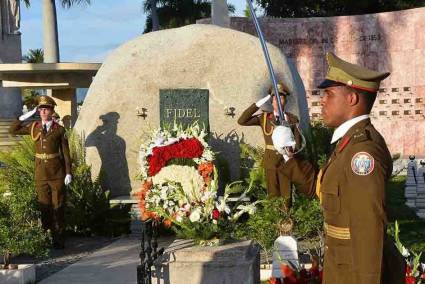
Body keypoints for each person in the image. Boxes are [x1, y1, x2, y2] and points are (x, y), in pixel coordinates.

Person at [272, 52, 405, 283]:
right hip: (341, 266)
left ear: (352, 99)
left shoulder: (361, 154)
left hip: (354, 272)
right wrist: (288, 156)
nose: (322, 100)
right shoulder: (348, 143)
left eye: (329, 94)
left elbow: (368, 230)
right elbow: (321, 188)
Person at [9, 95, 72, 249]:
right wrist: (25, 116)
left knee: (58, 206)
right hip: (40, 174)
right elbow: (13, 130)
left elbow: (65, 154)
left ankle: (59, 239)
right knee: (44, 206)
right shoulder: (34, 127)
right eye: (41, 109)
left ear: (52, 111)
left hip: (57, 173)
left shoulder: (60, 130)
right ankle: (46, 237)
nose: (43, 112)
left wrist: (68, 173)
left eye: (46, 109)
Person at [238, 82, 302, 209]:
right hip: (271, 161)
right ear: (271, 101)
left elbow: (298, 142)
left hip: (286, 161)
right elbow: (242, 121)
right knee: (272, 194)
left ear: (285, 101)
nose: (278, 101)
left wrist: (293, 151)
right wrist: (259, 103)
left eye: (281, 97)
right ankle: (274, 221)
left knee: (286, 194)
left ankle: (286, 222)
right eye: (274, 98)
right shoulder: (264, 118)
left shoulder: (292, 119)